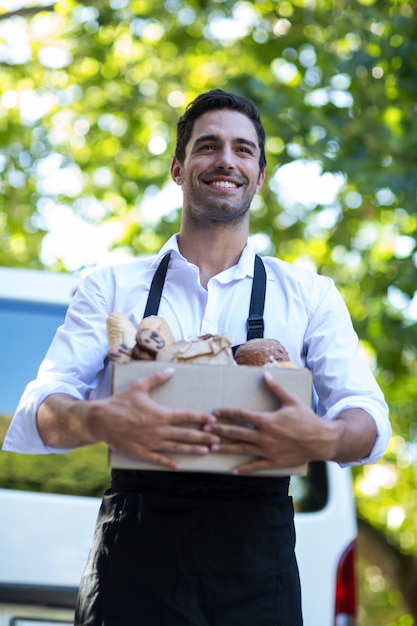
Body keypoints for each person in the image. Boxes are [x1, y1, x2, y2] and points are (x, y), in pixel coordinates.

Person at [3, 89, 391, 626]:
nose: (225, 160)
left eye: (243, 150)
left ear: (259, 177)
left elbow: (367, 416)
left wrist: (325, 437)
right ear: (178, 169)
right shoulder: (111, 287)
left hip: (258, 573)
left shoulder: (309, 294)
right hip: (134, 562)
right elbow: (41, 406)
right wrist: (97, 417)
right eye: (208, 146)